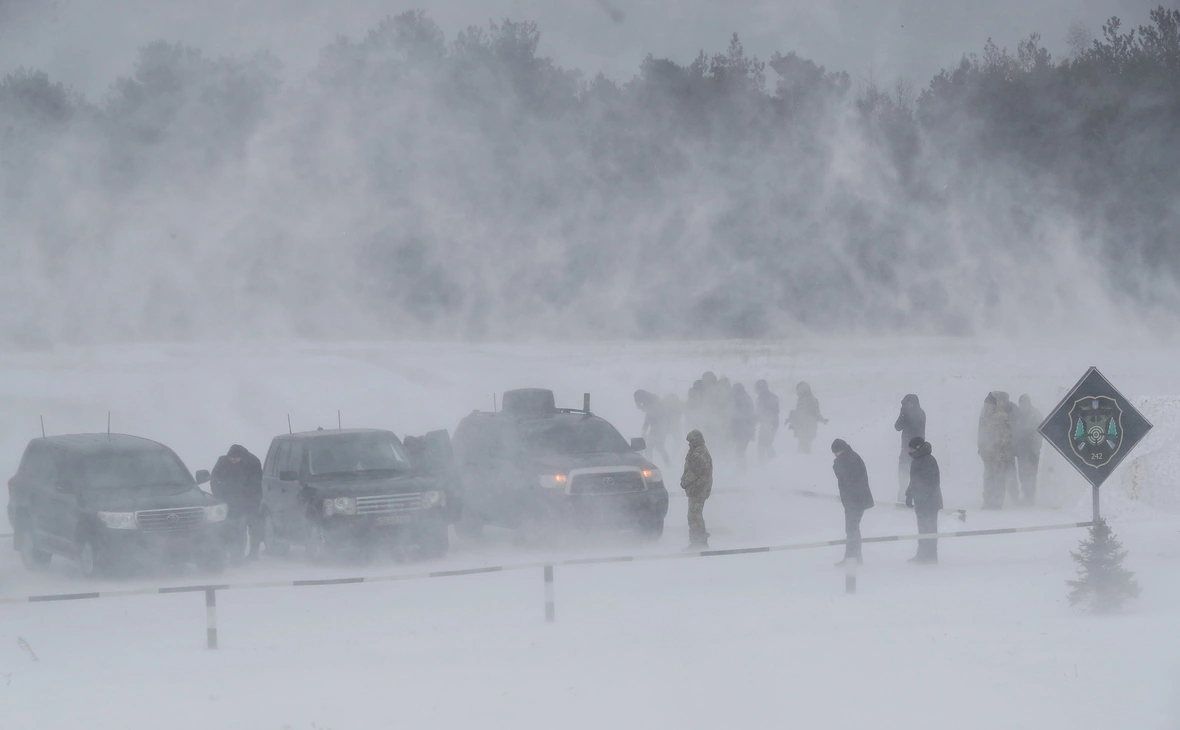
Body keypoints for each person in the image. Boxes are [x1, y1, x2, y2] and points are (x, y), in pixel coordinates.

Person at [210, 444, 264, 562]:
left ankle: (254, 551)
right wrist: (218, 496)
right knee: (235, 528)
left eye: (236, 458)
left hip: (250, 500)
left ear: (242, 456)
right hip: (229, 500)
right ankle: (237, 554)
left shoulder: (253, 462)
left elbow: (256, 483)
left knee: (253, 526)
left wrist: (250, 498)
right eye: (231, 458)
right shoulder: (222, 461)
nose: (233, 460)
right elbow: (214, 479)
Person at [831, 439, 874, 566]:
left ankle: (851, 559)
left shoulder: (848, 460)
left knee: (851, 530)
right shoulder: (851, 457)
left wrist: (837, 464)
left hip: (854, 501)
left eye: (836, 452)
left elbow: (847, 480)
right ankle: (856, 558)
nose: (835, 455)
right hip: (856, 500)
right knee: (853, 529)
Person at [904, 437, 942, 564]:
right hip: (921, 502)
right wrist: (909, 494)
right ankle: (922, 555)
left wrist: (922, 498)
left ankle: (930, 556)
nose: (909, 451)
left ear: (918, 448)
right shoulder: (917, 460)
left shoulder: (928, 461)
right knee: (923, 529)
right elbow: (914, 480)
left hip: (929, 502)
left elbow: (931, 482)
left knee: (929, 530)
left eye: (911, 448)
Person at [978, 393, 1014, 509]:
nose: (987, 406)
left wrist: (1001, 447)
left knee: (998, 478)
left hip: (999, 454)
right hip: (987, 453)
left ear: (994, 405)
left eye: (989, 404)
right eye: (986, 403)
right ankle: (987, 501)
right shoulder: (983, 416)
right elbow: (980, 433)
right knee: (988, 478)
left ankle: (997, 502)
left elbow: (1008, 434)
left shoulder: (1002, 416)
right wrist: (980, 447)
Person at [680, 430, 713, 549]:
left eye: (691, 442)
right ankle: (698, 540)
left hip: (699, 489)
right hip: (698, 488)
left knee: (694, 516)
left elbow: (694, 472)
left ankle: (698, 542)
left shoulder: (699, 454)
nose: (689, 444)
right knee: (695, 515)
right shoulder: (697, 452)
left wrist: (684, 482)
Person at [893, 394, 926, 503]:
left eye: (909, 403)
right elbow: (897, 427)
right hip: (912, 448)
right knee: (906, 471)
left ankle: (909, 495)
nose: (908, 405)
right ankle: (906, 493)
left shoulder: (915, 414)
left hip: (913, 449)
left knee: (910, 472)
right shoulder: (916, 413)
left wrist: (904, 414)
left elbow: (900, 426)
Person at [1012, 394, 1044, 506]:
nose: (1023, 406)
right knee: (1022, 473)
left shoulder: (1036, 415)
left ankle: (1030, 498)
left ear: (1029, 403)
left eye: (1025, 403)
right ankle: (1026, 496)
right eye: (1021, 403)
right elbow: (1015, 431)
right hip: (1021, 450)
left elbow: (1039, 433)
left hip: (1032, 450)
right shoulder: (1017, 415)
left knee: (1031, 474)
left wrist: (1035, 448)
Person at [787, 382, 827, 454]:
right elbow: (801, 414)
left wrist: (822, 420)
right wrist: (792, 420)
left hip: (807, 429)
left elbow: (813, 415)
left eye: (799, 393)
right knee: (802, 448)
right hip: (805, 429)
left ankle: (806, 463)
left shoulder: (810, 401)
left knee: (804, 449)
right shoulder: (805, 401)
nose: (798, 395)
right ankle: (804, 462)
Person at [634, 389, 670, 464]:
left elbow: (651, 415)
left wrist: (646, 428)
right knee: (659, 447)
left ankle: (651, 466)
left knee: (650, 448)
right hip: (660, 427)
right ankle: (667, 464)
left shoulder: (651, 402)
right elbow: (649, 415)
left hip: (658, 427)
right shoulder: (652, 400)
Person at [731, 383, 757, 469]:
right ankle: (740, 469)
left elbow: (748, 416)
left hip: (745, 430)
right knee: (738, 451)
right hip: (742, 430)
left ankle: (742, 471)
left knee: (739, 451)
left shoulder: (744, 400)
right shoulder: (740, 399)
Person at [754, 380, 780, 462]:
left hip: (772, 424)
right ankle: (763, 462)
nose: (757, 391)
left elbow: (776, 411)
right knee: (762, 445)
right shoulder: (759, 399)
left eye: (758, 389)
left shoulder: (772, 397)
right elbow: (758, 413)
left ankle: (772, 462)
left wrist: (766, 416)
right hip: (765, 424)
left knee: (766, 444)